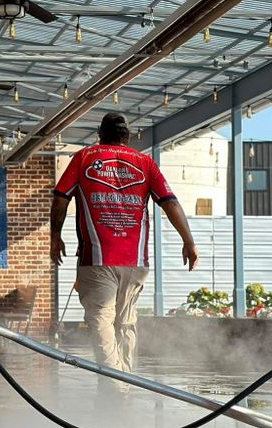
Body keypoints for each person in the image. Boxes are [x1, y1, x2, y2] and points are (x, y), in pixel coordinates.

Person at [50, 112, 198, 377]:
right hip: (135, 263)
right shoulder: (145, 163)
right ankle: (124, 383)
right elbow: (170, 203)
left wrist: (55, 236)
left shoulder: (84, 158)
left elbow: (61, 198)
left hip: (96, 260)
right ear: (127, 137)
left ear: (100, 135)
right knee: (126, 323)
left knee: (100, 321)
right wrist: (188, 242)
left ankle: (114, 387)